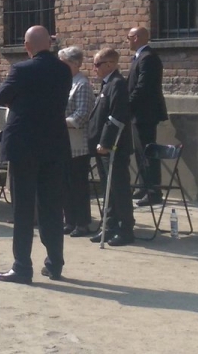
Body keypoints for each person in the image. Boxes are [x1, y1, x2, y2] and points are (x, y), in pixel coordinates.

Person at [0, 26, 72, 284]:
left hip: (24, 145)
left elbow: (1, 96)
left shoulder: (22, 69)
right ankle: (54, 263)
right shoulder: (63, 70)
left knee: (23, 209)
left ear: (27, 46)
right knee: (51, 206)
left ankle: (22, 266)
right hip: (54, 144)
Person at [88, 47, 135, 247]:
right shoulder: (106, 85)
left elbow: (117, 117)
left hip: (113, 147)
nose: (94, 68)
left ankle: (125, 230)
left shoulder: (117, 84)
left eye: (97, 64)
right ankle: (108, 226)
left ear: (110, 64)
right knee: (107, 187)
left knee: (119, 188)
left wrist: (106, 142)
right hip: (101, 147)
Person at [127, 27, 168, 206]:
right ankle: (144, 186)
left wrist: (127, 104)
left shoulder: (148, 58)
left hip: (146, 113)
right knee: (140, 151)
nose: (127, 41)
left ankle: (153, 192)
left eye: (129, 37)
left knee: (148, 151)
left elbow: (142, 87)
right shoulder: (138, 57)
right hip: (138, 113)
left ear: (136, 38)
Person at [57, 46, 95, 237]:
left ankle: (82, 223)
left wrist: (58, 122)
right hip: (62, 142)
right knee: (64, 184)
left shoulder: (82, 84)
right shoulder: (63, 82)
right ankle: (69, 219)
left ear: (74, 64)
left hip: (78, 144)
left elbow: (82, 115)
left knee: (78, 184)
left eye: (62, 63)